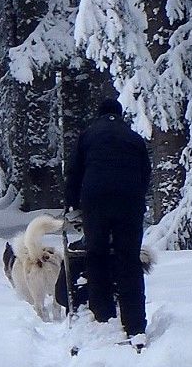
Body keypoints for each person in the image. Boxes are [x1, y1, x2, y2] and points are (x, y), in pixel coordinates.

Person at [64, 98, 151, 346]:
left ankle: (103, 316)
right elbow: (146, 173)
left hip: (95, 200)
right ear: (120, 115)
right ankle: (134, 324)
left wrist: (72, 205)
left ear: (99, 115)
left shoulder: (87, 136)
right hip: (129, 202)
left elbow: (74, 172)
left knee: (97, 255)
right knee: (129, 259)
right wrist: (136, 198)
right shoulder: (134, 138)